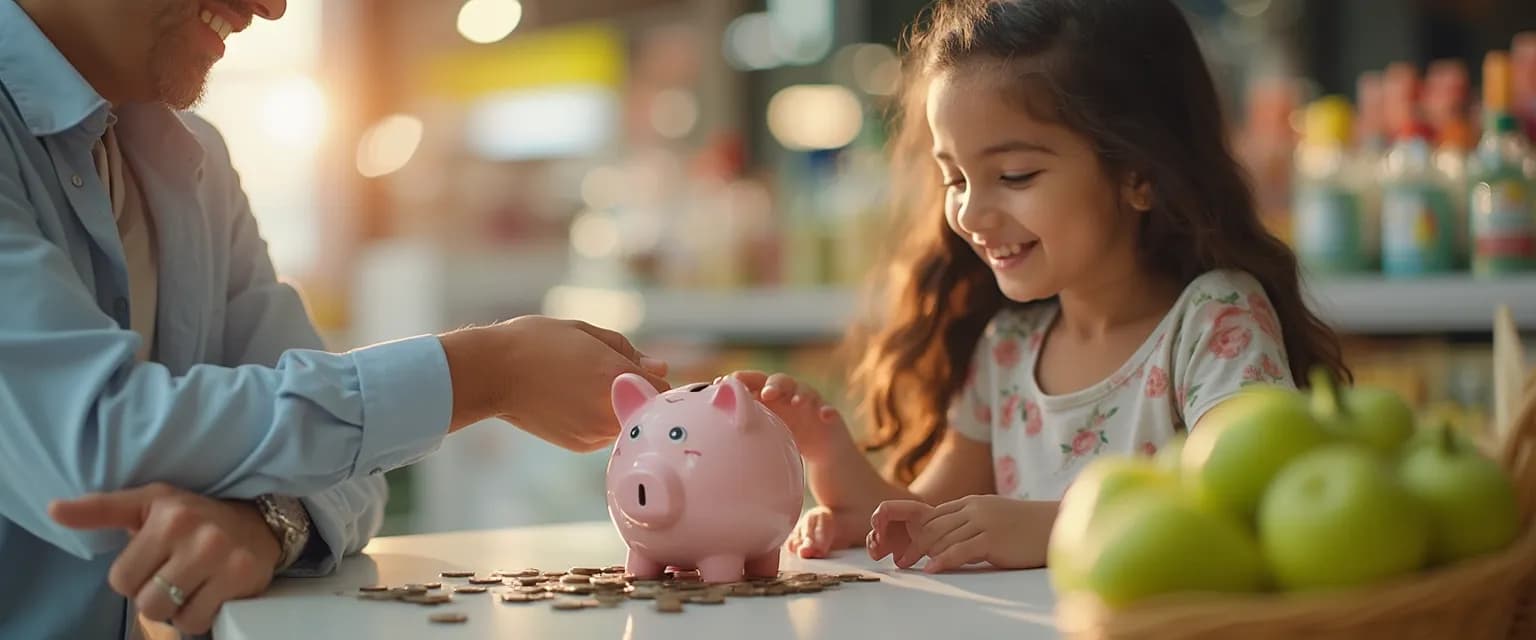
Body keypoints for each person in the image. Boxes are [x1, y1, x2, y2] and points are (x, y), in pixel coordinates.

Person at [0, 0, 669, 637]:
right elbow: (91, 448)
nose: (270, 8)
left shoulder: (193, 166)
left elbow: (354, 473)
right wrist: (489, 373)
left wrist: (268, 522)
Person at [732, 0, 1349, 574]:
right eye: (954, 179)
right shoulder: (1008, 347)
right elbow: (926, 518)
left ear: (1138, 173)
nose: (971, 214)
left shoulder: (1216, 320)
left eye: (1015, 175)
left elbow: (1250, 504)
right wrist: (829, 454)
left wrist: (1056, 529)